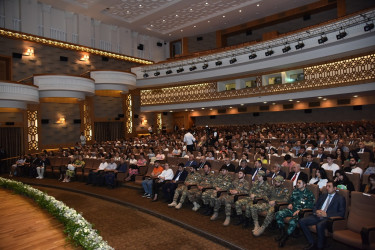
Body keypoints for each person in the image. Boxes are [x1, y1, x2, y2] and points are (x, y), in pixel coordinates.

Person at [299, 181, 346, 250]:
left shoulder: (340, 198)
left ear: (335, 188)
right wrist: (316, 211)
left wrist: (327, 214)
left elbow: (341, 213)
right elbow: (315, 206)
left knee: (319, 225)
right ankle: (312, 242)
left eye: (329, 186)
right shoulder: (323, 195)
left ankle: (320, 246)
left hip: (328, 219)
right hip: (317, 216)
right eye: (326, 186)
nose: (327, 188)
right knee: (301, 221)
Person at [275, 176, 315, 247]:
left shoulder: (309, 194)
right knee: (278, 214)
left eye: (299, 183)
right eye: (297, 183)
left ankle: (285, 238)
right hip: (292, 210)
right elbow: (290, 199)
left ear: (304, 184)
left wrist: (300, 211)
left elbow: (311, 206)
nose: (297, 184)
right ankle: (282, 232)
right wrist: (290, 203)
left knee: (292, 222)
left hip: (300, 213)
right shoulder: (295, 191)